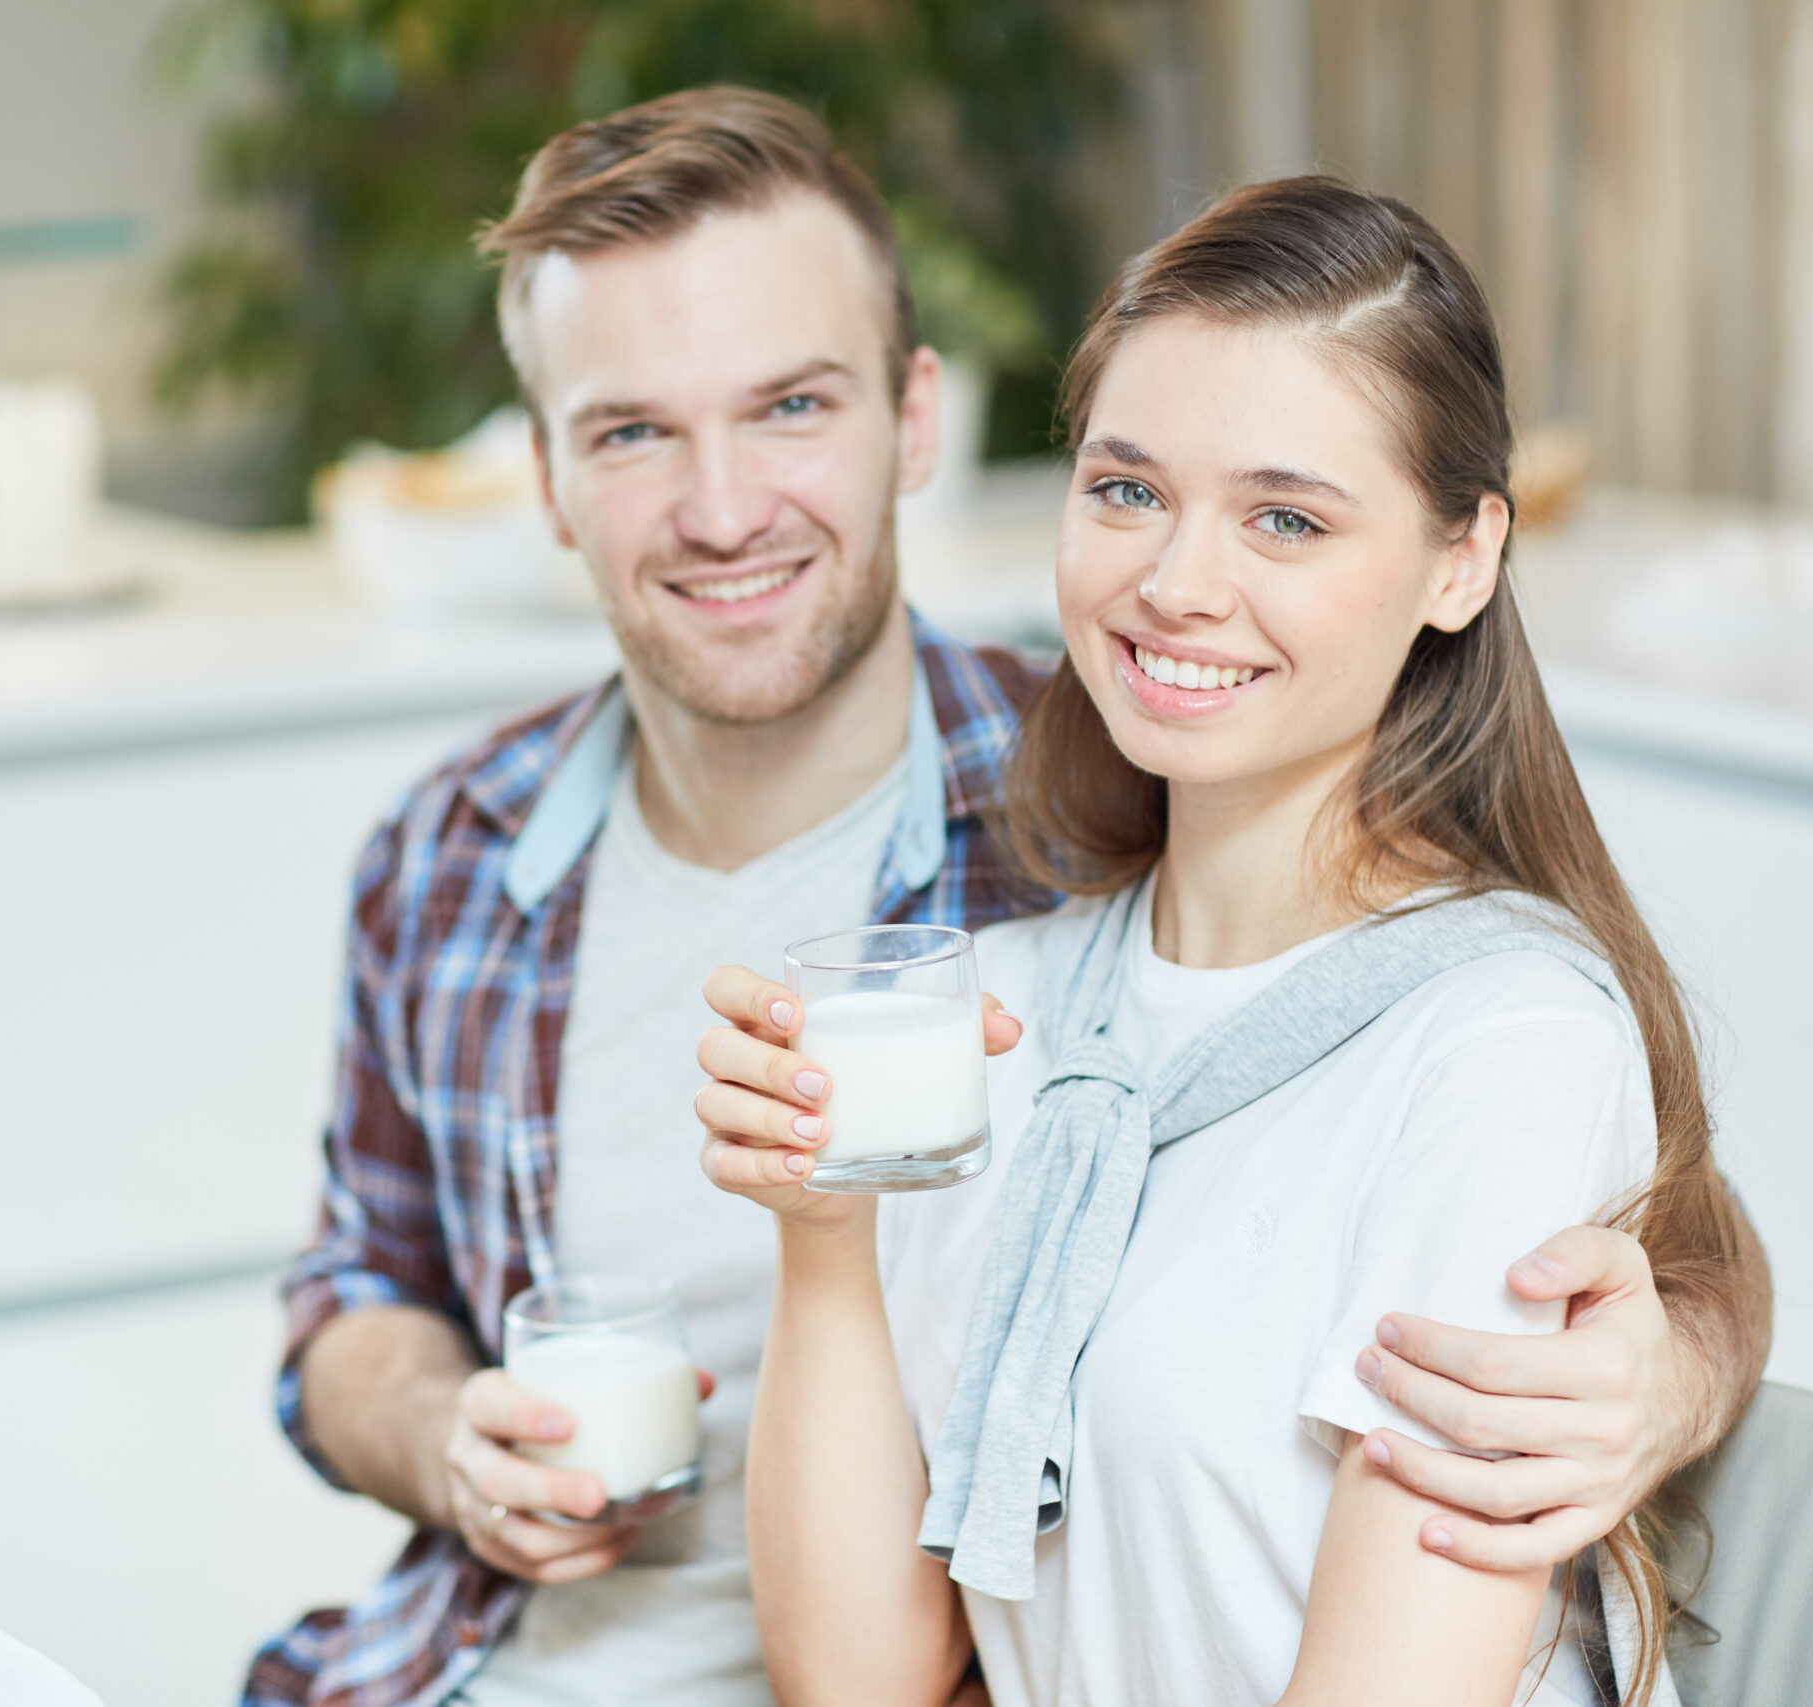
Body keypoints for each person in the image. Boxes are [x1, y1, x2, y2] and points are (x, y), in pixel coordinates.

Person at [250, 90, 1769, 1707]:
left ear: (916, 421)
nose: (718, 506)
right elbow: (359, 1285)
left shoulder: (1099, 800)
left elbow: (1573, 1133)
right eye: (631, 431)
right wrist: (778, 1258)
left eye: (787, 407)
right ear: (542, 477)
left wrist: (1686, 1348)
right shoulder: (510, 865)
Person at [693, 177, 1752, 1706]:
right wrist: (821, 1229)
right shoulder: (985, 1019)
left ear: (1462, 561)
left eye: (1285, 517)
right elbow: (858, 1683)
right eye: (1126, 490)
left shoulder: (1499, 1047)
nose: (1178, 585)